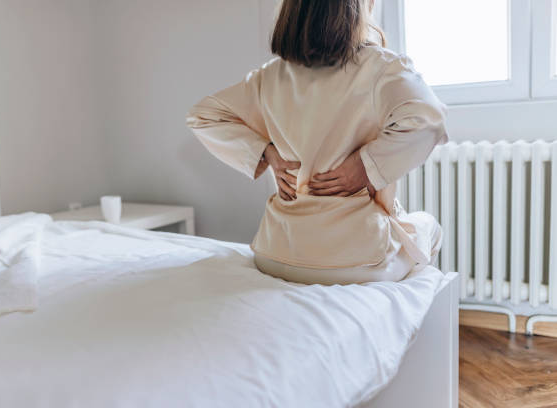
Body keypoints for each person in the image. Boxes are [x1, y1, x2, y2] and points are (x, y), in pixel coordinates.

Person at [186, 0, 447, 285]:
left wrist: (265, 153)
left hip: (273, 255)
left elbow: (202, 116)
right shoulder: (382, 67)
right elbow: (429, 119)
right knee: (429, 228)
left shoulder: (270, 76)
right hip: (353, 261)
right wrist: (366, 165)